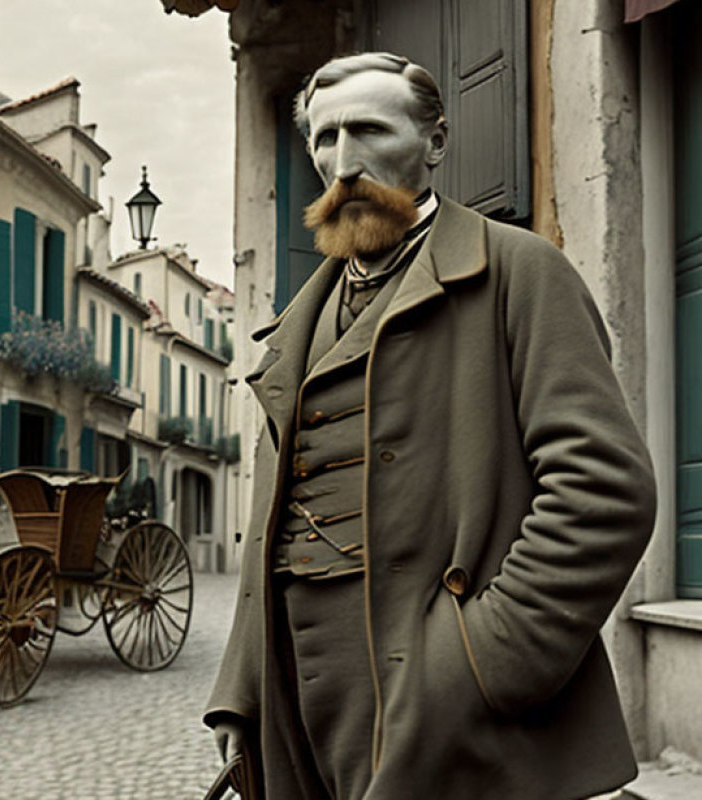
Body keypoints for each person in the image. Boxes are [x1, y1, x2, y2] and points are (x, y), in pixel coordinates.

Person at [204, 51, 657, 800]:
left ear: (436, 143)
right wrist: (243, 689)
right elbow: (270, 521)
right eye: (324, 139)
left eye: (369, 131)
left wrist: (477, 664)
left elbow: (603, 492)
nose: (343, 164)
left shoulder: (519, 273)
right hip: (300, 697)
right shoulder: (296, 324)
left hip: (448, 694)